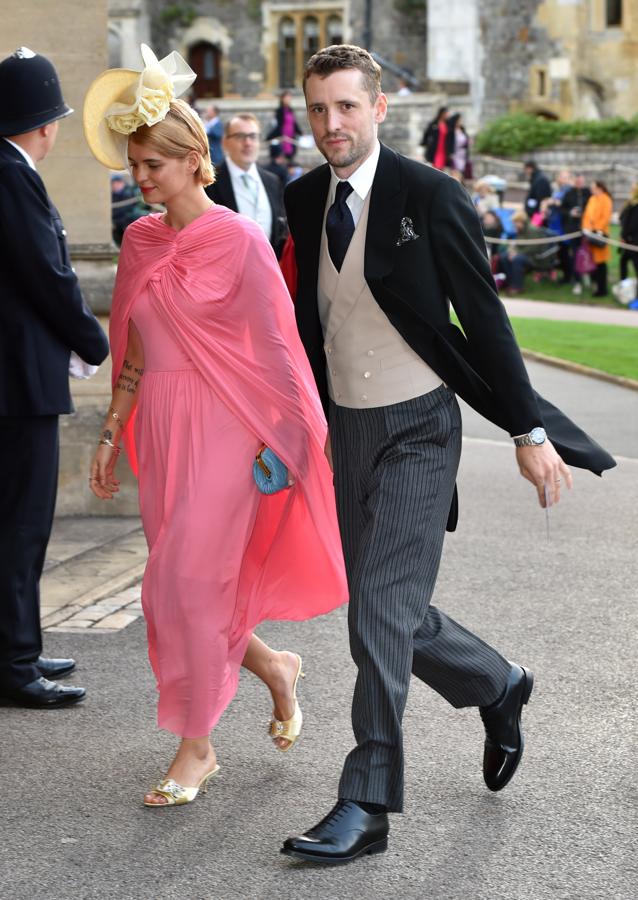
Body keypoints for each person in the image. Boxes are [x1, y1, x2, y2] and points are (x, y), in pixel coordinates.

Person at [281, 43, 615, 865]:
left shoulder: (429, 196)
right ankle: (496, 683)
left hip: (422, 426)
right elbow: (306, 325)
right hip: (347, 429)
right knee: (389, 610)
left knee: (378, 613)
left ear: (379, 108)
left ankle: (366, 801)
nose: (331, 124)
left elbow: (484, 321)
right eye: (318, 109)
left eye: (346, 107)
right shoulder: (298, 199)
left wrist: (527, 432)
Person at [83, 45, 347, 806]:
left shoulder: (236, 240)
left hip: (229, 431)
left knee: (187, 580)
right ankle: (273, 666)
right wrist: (111, 431)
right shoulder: (139, 241)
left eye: (151, 166)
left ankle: (195, 748)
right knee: (177, 587)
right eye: (132, 166)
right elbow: (132, 352)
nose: (139, 180)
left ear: (193, 159)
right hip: (162, 431)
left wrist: (287, 436)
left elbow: (276, 349)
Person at [0, 48, 109, 708]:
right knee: (21, 526)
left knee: (17, 524)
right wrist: (91, 338)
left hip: (15, 377)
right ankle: (15, 663)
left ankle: (21, 645)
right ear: (45, 125)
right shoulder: (13, 176)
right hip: (18, 381)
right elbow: (49, 273)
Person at [205, 113, 288, 258]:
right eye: (240, 136)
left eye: (253, 136)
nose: (248, 142)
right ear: (225, 142)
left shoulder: (273, 181)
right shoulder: (209, 182)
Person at [498, 209, 559, 294]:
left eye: (516, 222)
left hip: (535, 258)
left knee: (517, 260)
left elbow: (533, 248)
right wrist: (512, 251)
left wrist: (516, 253)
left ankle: (517, 287)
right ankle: (509, 283)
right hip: (524, 255)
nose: (514, 224)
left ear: (522, 221)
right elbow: (519, 245)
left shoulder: (532, 230)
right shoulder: (519, 230)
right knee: (504, 257)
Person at [560, 173, 591, 294]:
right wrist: (570, 213)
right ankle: (577, 280)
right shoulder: (569, 193)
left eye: (581, 182)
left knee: (588, 254)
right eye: (577, 182)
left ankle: (588, 275)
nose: (579, 184)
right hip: (573, 230)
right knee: (575, 255)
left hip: (587, 229)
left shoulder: (588, 193)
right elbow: (562, 210)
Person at [582, 180, 613, 297]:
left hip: (600, 235)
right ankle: (594, 285)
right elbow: (587, 215)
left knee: (601, 263)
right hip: (590, 233)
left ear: (599, 188)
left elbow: (605, 217)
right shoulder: (592, 199)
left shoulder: (606, 199)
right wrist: (586, 228)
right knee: (592, 262)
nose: (592, 189)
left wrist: (597, 229)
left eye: (593, 187)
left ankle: (602, 288)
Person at [110, 172, 147, 245]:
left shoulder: (128, 192)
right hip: (119, 220)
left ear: (121, 183)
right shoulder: (113, 195)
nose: (115, 185)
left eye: (117, 183)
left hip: (128, 218)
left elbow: (125, 208)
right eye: (113, 183)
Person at [266, 90, 302, 161]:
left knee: (291, 153)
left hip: (291, 134)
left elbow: (294, 123)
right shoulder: (279, 110)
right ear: (282, 99)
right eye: (287, 97)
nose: (288, 99)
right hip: (283, 135)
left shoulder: (291, 110)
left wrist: (300, 132)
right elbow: (279, 125)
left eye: (289, 97)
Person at [618, 182, 638, 288]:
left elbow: (632, 224)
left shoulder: (637, 205)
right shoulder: (630, 203)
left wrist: (625, 235)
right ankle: (624, 283)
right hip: (629, 240)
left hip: (635, 241)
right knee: (624, 261)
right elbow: (623, 218)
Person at [420, 104, 448, 169]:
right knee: (435, 166)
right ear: (442, 113)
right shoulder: (434, 123)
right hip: (435, 148)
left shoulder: (447, 124)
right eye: (446, 113)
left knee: (442, 167)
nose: (447, 115)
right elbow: (427, 133)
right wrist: (425, 143)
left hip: (443, 148)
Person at [445, 112, 471, 181]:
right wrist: (450, 154)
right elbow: (449, 143)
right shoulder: (451, 131)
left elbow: (466, 139)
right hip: (455, 154)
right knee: (455, 172)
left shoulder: (462, 129)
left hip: (462, 153)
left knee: (462, 172)